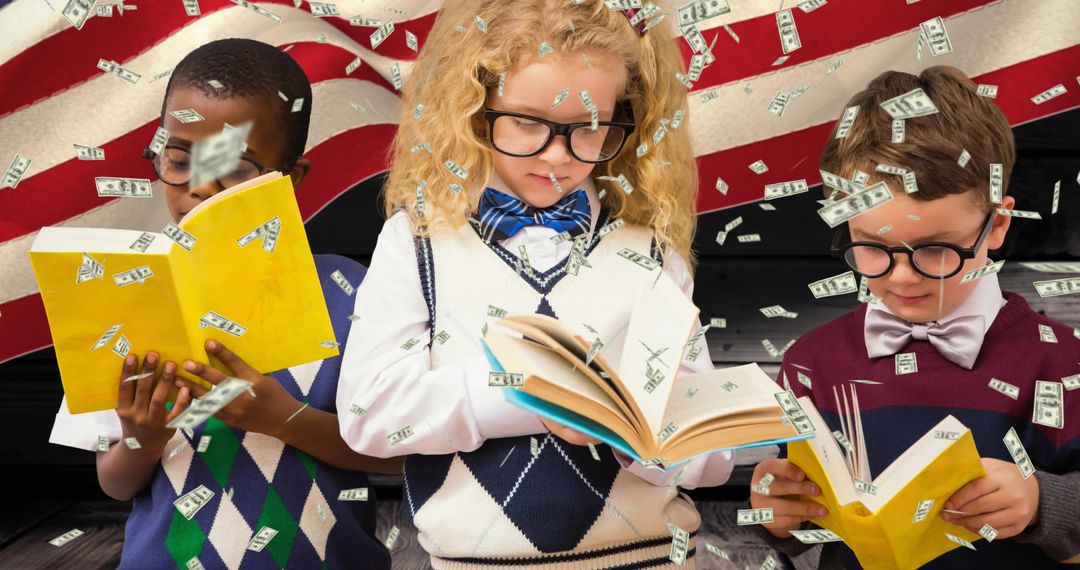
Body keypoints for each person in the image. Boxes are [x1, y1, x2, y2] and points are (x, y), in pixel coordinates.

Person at [336, 0, 735, 567]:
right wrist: (535, 394)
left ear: (629, 114)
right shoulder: (416, 241)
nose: (556, 157)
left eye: (589, 130)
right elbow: (369, 416)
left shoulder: (652, 251)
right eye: (526, 123)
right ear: (474, 109)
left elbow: (713, 457)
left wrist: (627, 433)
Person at [49, 38, 398, 569]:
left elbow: (396, 456)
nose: (201, 189)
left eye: (234, 170)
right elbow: (115, 483)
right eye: (180, 160)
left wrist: (286, 420)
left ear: (289, 179)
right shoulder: (125, 290)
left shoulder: (353, 290)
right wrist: (144, 436)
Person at [748, 65, 1080, 567]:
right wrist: (776, 515)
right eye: (872, 246)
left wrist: (1040, 503)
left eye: (936, 249)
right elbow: (798, 523)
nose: (902, 278)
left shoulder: (1058, 359)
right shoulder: (811, 361)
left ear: (997, 226)